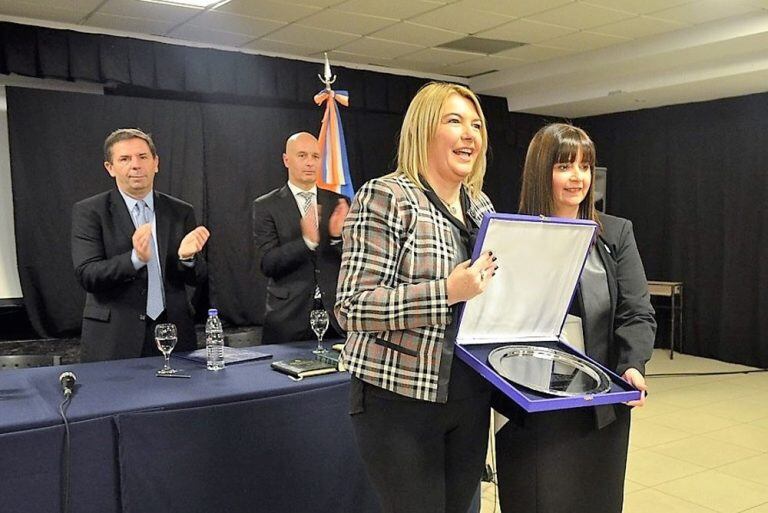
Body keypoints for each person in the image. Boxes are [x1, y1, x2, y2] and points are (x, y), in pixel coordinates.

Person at [335, 82, 498, 513]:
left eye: (476, 124)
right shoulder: (386, 196)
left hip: (469, 395)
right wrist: (446, 292)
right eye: (454, 121)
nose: (470, 134)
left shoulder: (482, 206)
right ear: (424, 130)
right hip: (398, 402)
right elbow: (352, 305)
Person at [494, 123, 656, 513]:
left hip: (600, 404)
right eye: (565, 166)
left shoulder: (616, 233)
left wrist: (633, 365)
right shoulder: (512, 234)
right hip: (532, 406)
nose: (578, 177)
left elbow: (637, 311)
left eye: (585, 166)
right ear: (540, 171)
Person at [71, 128, 210, 362]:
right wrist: (135, 259)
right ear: (110, 168)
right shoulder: (90, 212)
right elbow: (88, 275)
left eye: (143, 157)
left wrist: (187, 259)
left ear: (156, 163)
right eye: (125, 159)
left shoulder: (181, 211)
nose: (136, 165)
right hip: (115, 338)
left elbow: (198, 278)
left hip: (174, 334)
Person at [252, 132, 349, 343]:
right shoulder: (266, 205)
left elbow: (354, 261)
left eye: (315, 157)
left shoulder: (339, 203)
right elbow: (268, 264)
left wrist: (336, 238)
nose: (310, 163)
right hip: (289, 319)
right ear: (286, 160)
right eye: (302, 155)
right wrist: (306, 242)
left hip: (335, 318)